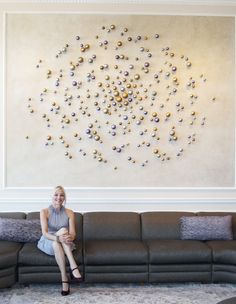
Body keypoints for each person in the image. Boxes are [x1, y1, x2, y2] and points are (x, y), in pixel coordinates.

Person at [37, 185, 82, 296]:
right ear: (52, 196)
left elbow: (73, 233)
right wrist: (58, 237)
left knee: (62, 235)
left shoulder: (70, 212)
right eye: (56, 194)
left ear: (64, 198)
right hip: (49, 240)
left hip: (63, 242)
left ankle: (64, 280)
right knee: (60, 234)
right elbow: (45, 233)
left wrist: (69, 237)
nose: (59, 197)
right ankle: (73, 266)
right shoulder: (44, 212)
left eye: (61, 195)